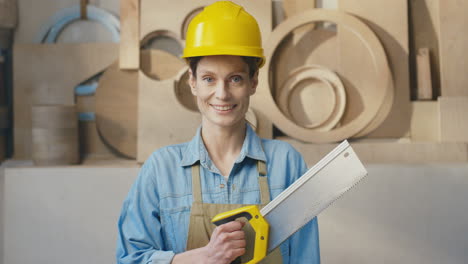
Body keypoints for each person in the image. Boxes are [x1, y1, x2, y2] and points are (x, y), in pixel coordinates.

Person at [116, 1, 320, 263]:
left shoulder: (286, 163)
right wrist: (202, 258)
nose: (222, 94)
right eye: (209, 79)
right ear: (192, 82)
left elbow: (306, 258)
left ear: (253, 82)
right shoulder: (161, 170)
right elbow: (131, 258)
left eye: (235, 78)